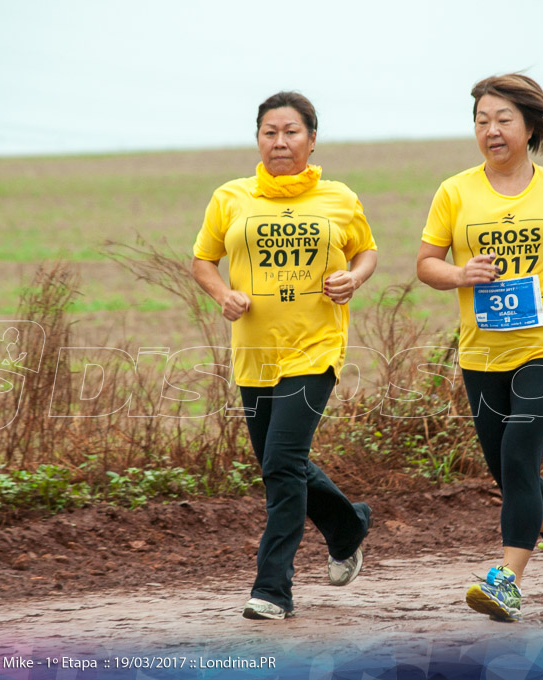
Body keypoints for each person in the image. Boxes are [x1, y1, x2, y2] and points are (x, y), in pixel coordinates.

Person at [416, 73, 543, 622]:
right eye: (482, 120)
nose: (491, 130)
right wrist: (461, 273)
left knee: (517, 456)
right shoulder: (455, 191)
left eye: (503, 119)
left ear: (531, 125)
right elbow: (425, 265)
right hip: (481, 354)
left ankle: (506, 580)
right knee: (510, 474)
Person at [191, 91, 376, 620]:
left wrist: (353, 277)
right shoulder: (231, 197)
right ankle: (347, 525)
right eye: (270, 132)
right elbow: (203, 261)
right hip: (254, 352)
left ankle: (273, 587)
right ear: (257, 138)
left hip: (315, 349)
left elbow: (367, 251)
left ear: (312, 140)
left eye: (292, 131)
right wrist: (224, 294)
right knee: (280, 463)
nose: (280, 142)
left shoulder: (340, 198)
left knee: (281, 463)